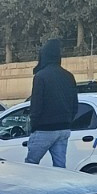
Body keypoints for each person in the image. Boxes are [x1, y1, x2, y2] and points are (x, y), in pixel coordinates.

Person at [25, 38, 78, 168]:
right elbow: (74, 105)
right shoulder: (68, 76)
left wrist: (34, 126)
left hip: (44, 129)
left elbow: (36, 105)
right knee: (60, 167)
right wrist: (68, 121)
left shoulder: (40, 77)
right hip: (64, 128)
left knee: (30, 166)